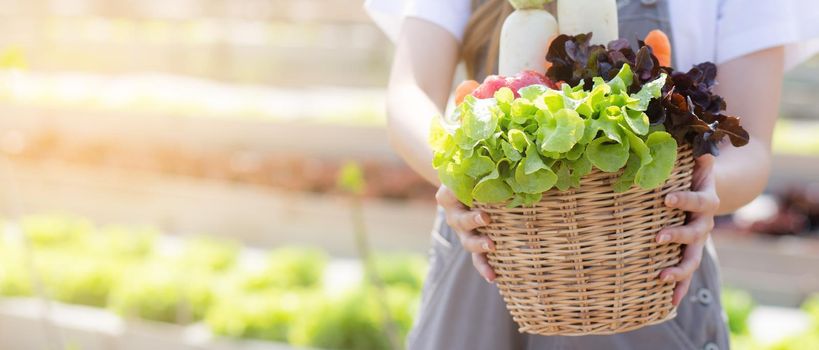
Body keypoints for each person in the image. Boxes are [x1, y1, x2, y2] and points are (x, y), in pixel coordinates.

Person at [366, 0, 819, 349]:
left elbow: (751, 145)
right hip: (481, 263)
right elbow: (409, 93)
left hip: (644, 265)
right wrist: (458, 173)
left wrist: (706, 189)